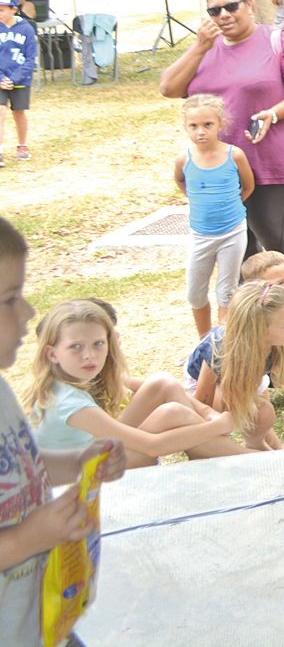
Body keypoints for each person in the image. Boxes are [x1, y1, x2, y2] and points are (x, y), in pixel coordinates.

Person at [0, 217, 129, 646]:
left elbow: (21, 466)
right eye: (9, 299)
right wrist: (23, 540)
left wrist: (77, 462)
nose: (29, 312)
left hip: (39, 618)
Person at [156, 0, 284, 286]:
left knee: (275, 238)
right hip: (224, 167)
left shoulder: (278, 41)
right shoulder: (205, 50)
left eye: (231, 6)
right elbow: (169, 87)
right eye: (214, 11)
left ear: (249, 5)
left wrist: (274, 112)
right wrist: (198, 47)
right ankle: (255, 322)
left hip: (277, 163)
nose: (223, 16)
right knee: (237, 247)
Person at [24, 296, 240, 465]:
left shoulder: (66, 379)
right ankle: (245, 457)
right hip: (79, 481)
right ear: (52, 353)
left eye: (98, 344)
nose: (89, 355)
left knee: (162, 382)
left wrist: (209, 414)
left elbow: (156, 386)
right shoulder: (70, 403)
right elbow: (152, 447)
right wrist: (218, 425)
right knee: (173, 413)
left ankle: (215, 454)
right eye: (76, 346)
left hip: (89, 454)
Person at [186, 280, 284, 449]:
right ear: (260, 333)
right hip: (211, 382)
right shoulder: (219, 350)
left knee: (260, 417)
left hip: (251, 374)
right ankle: (248, 449)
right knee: (251, 414)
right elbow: (202, 404)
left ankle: (261, 445)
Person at [174, 94, 255, 334]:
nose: (201, 131)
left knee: (227, 290)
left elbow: (248, 186)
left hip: (232, 233)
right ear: (186, 127)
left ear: (220, 124)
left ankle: (223, 344)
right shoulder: (184, 159)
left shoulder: (235, 155)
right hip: (201, 235)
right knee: (195, 292)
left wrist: (231, 206)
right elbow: (181, 182)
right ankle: (203, 341)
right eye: (194, 126)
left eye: (207, 125)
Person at [0, 0, 37, 164]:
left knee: (18, 113)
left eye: (2, 10)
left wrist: (14, 79)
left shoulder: (26, 29)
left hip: (20, 79)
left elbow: (30, 59)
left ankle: (22, 145)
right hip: (0, 79)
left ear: (13, 9)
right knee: (0, 111)